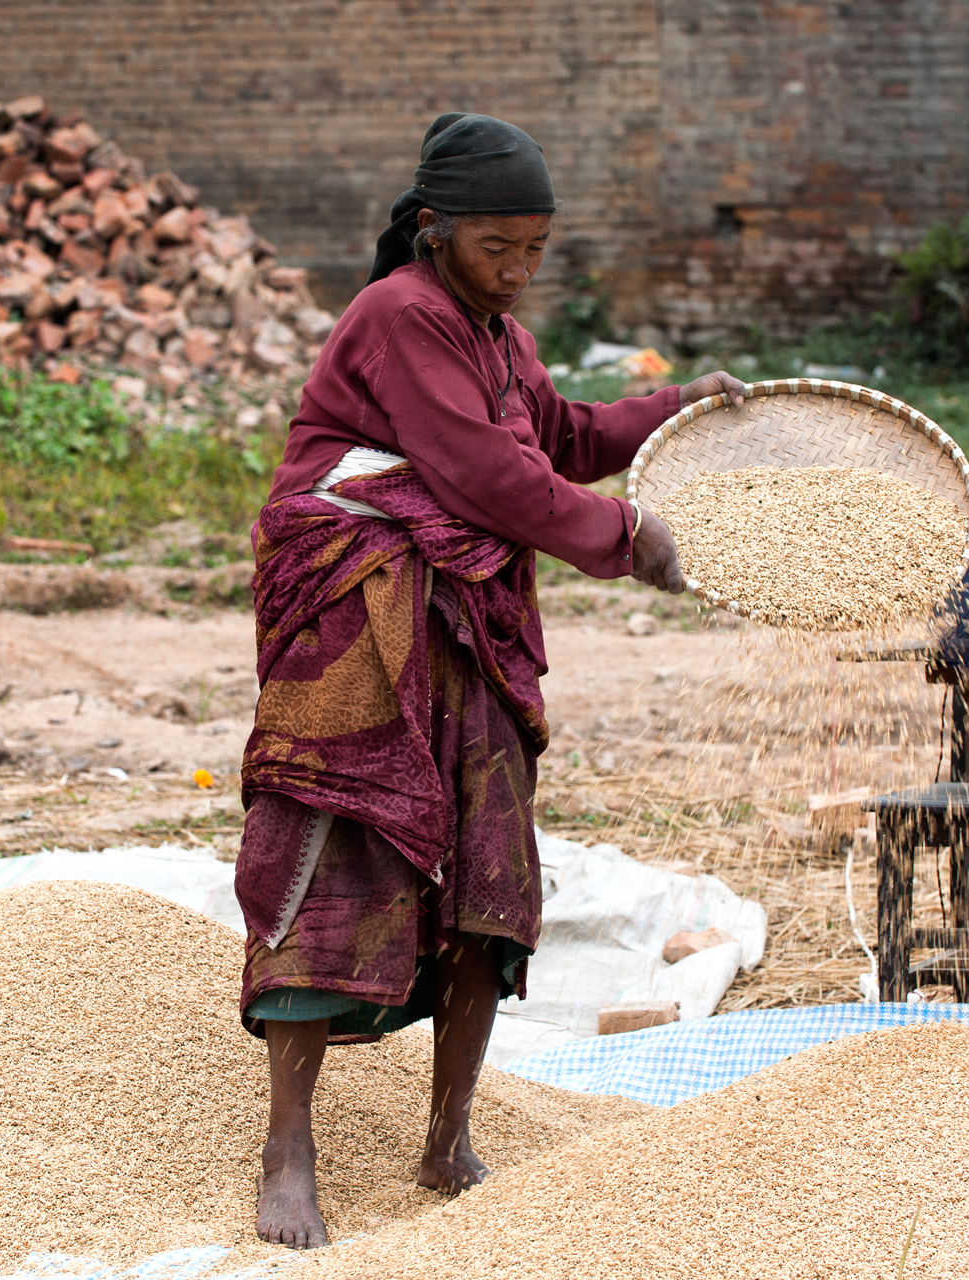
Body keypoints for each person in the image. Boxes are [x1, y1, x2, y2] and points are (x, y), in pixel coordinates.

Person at [235, 112, 745, 1250]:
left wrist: (671, 408)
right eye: (497, 249)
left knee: (487, 858)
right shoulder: (401, 314)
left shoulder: (495, 331)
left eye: (535, 250)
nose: (518, 271)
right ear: (434, 229)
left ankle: (447, 1137)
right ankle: (287, 1148)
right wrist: (627, 536)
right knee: (342, 841)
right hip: (360, 611)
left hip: (466, 620)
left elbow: (552, 434)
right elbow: (477, 473)